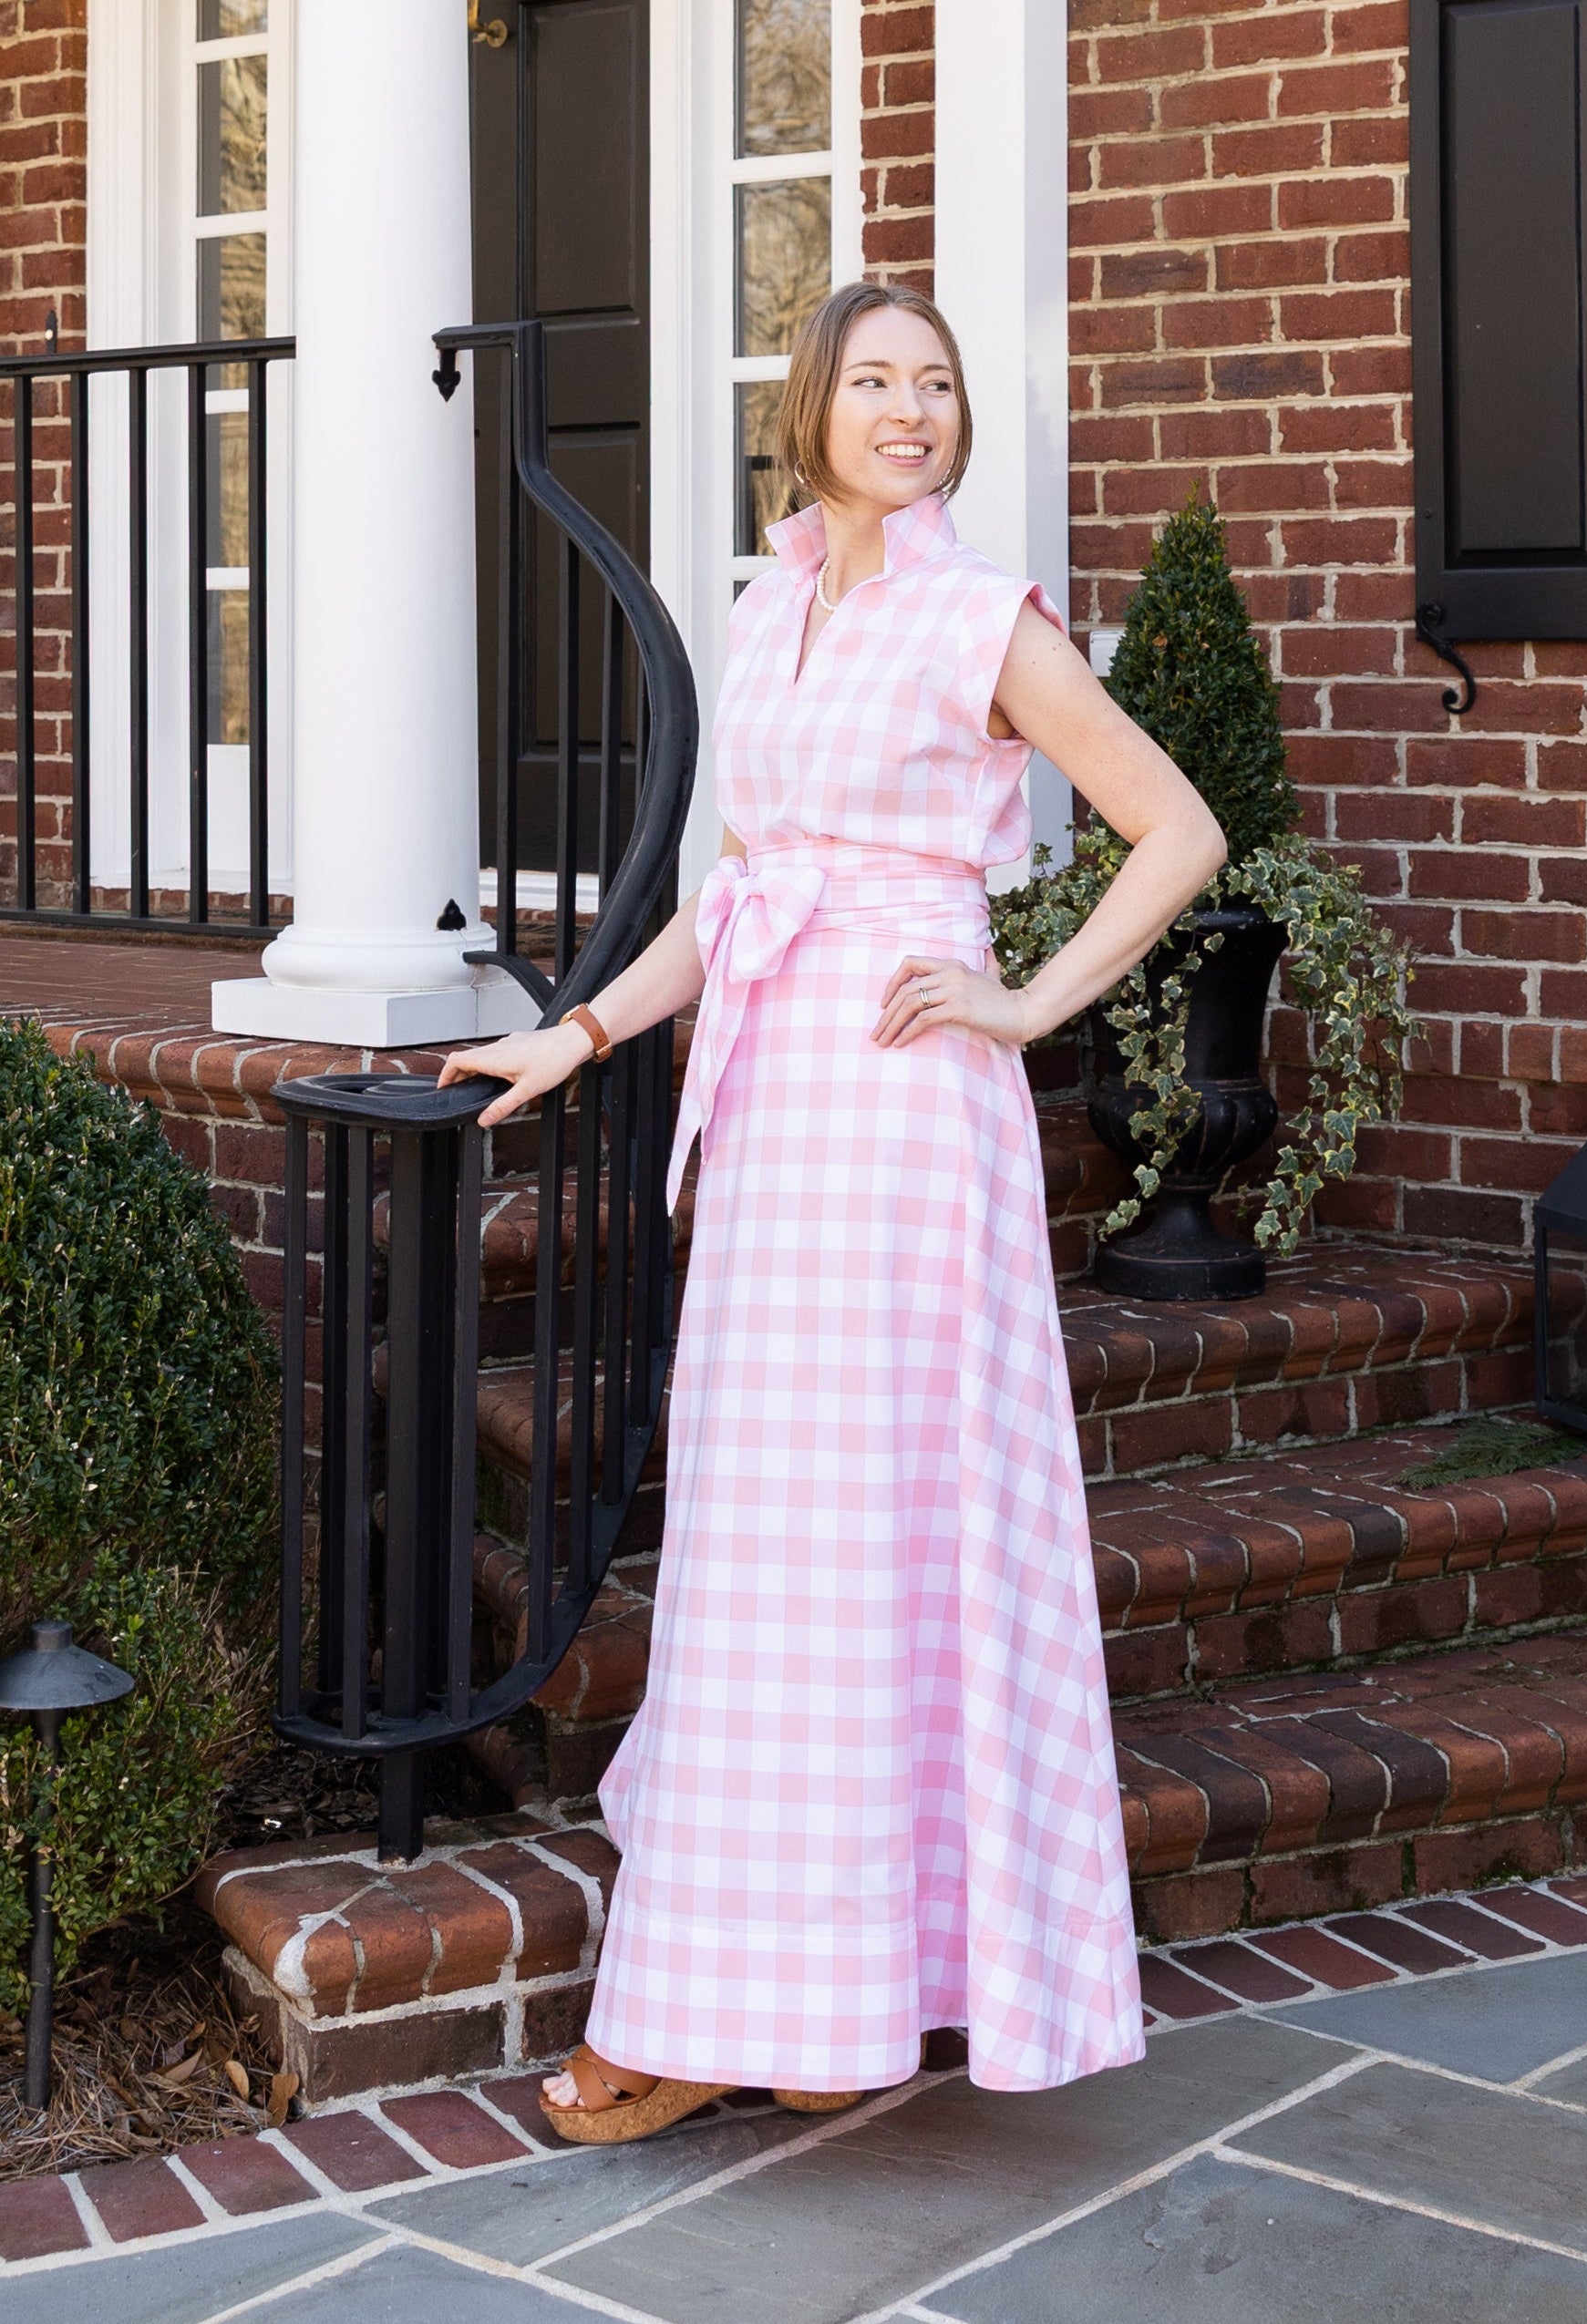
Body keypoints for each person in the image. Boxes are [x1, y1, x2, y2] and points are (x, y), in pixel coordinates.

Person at [438, 280, 1226, 2143]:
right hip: (774, 1112)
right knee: (762, 1552)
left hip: (902, 1120)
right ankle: (792, 1993)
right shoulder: (765, 605)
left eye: (935, 385)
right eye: (874, 381)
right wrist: (579, 1033)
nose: (909, 409)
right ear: (811, 408)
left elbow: (1177, 829)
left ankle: (775, 1996)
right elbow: (738, 896)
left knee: (863, 1543)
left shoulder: (982, 620)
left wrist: (1031, 1004)